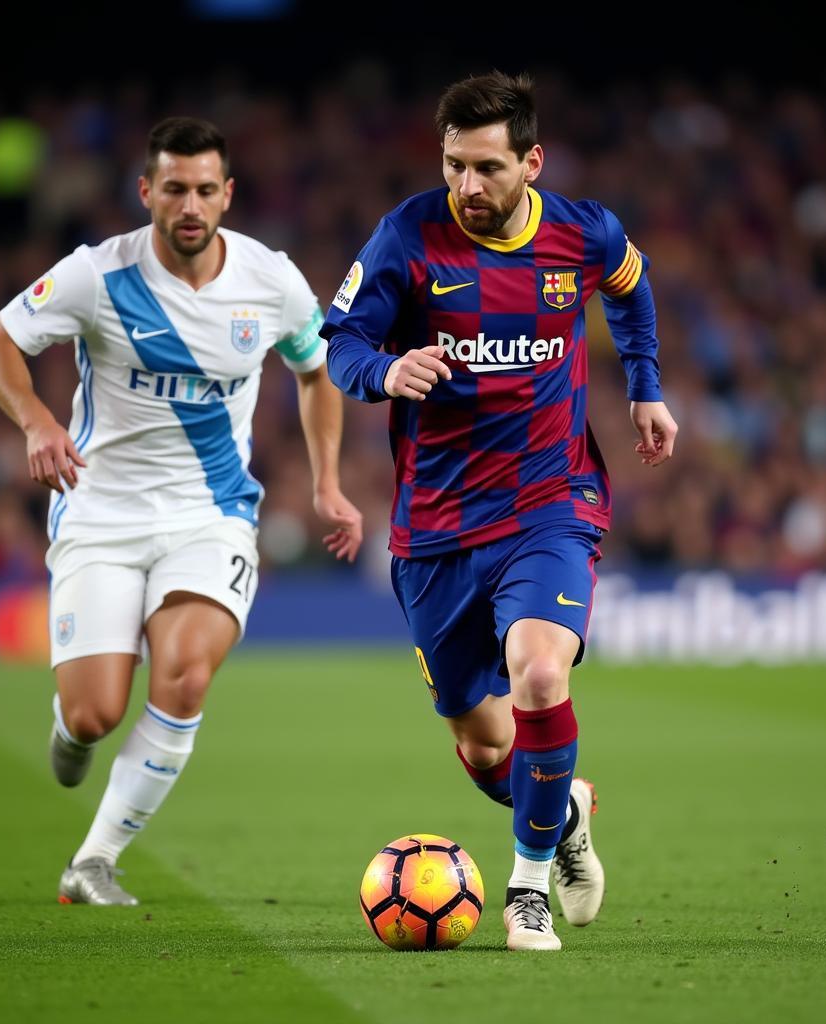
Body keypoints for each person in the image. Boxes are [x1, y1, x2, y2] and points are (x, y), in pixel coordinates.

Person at [322, 72, 677, 951]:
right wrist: (385, 371)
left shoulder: (582, 233)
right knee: (486, 750)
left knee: (541, 677)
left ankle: (524, 889)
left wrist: (644, 389)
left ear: (532, 161)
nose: (467, 188)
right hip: (438, 526)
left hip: (551, 500)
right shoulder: (408, 235)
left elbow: (632, 289)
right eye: (453, 167)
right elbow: (341, 344)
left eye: (486, 168)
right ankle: (569, 808)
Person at [0, 117, 362, 906]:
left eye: (205, 189)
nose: (190, 204)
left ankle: (94, 861)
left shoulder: (271, 280)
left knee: (184, 677)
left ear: (228, 195)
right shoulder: (95, 276)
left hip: (210, 515)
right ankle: (70, 723)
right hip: (100, 515)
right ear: (147, 191)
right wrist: (39, 422)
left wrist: (325, 482)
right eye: (174, 188)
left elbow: (318, 371)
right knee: (94, 714)